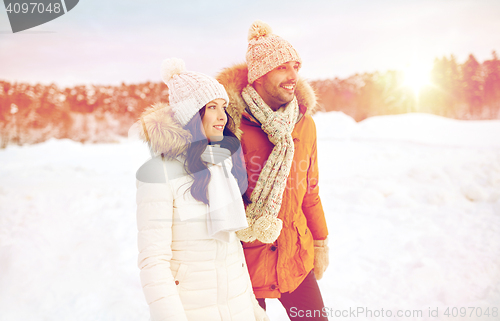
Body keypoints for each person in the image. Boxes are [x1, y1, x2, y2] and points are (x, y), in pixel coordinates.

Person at [135, 58, 269, 321]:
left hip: (238, 310)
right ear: (192, 115)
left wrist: (254, 310)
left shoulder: (222, 163)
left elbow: (233, 251)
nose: (223, 116)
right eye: (212, 107)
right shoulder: (159, 173)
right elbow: (154, 263)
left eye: (224, 108)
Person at [216, 21, 330, 320]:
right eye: (282, 67)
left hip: (296, 257)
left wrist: (320, 242)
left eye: (296, 66)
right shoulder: (230, 127)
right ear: (259, 75)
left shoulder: (304, 125)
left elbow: (311, 191)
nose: (293, 76)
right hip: (245, 265)